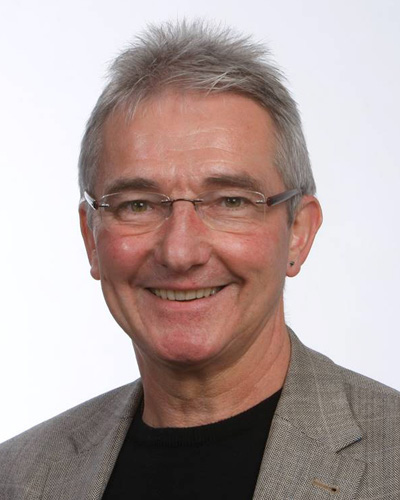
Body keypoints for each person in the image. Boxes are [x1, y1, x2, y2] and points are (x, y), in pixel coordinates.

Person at [0, 20, 399, 500]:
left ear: (298, 231)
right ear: (92, 238)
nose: (180, 252)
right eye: (138, 205)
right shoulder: (18, 477)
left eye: (231, 201)